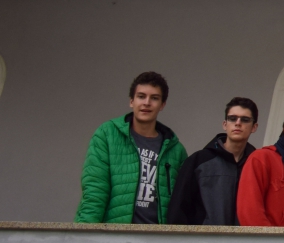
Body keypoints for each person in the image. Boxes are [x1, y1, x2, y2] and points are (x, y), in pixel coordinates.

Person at [76, 71, 187, 224]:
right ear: (131, 101)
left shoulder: (175, 150)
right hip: (116, 234)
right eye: (141, 96)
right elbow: (95, 191)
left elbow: (182, 204)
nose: (147, 103)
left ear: (162, 105)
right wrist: (83, 232)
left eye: (154, 98)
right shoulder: (107, 135)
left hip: (159, 236)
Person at [167, 97, 259, 225]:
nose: (238, 123)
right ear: (225, 124)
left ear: (254, 127)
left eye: (245, 119)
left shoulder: (258, 165)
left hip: (245, 237)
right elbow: (178, 210)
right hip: (204, 237)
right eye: (232, 118)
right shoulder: (199, 161)